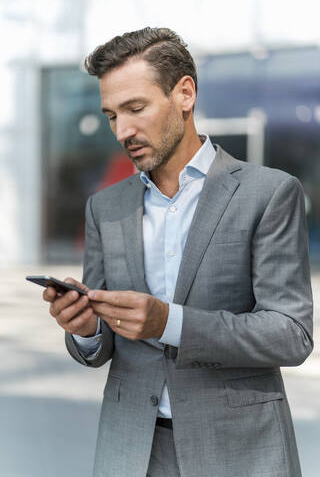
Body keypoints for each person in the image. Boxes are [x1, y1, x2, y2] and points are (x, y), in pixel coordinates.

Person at [43, 27, 313, 477]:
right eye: (111, 115)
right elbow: (102, 344)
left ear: (184, 93)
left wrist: (170, 323)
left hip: (238, 447)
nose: (122, 131)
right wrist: (87, 327)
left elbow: (290, 333)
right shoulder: (104, 207)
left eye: (135, 108)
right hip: (130, 449)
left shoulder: (269, 193)